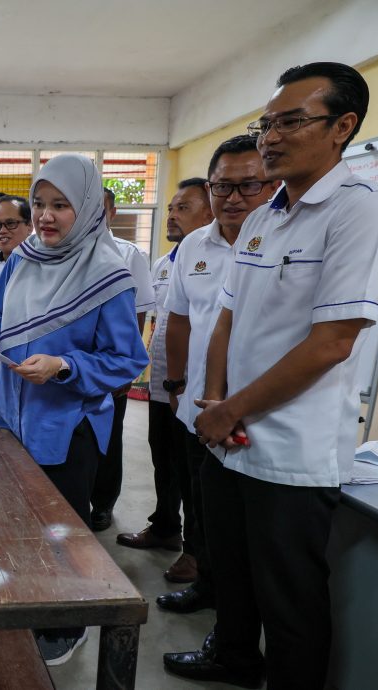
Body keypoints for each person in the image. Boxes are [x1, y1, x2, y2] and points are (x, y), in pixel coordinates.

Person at [166, 62, 378, 689]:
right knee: (232, 575)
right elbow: (224, 321)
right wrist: (213, 401)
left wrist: (228, 410)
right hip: (228, 437)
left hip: (290, 450)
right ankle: (233, 656)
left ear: (342, 127)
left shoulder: (365, 211)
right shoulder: (266, 216)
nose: (271, 137)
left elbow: (331, 343)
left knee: (291, 597)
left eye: (291, 122)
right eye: (267, 123)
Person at [0, 154, 148, 665]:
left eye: (61, 206)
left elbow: (126, 360)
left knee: (63, 531)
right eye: (40, 204)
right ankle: (33, 600)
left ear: (87, 208)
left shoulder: (107, 274)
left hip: (68, 427)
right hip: (11, 416)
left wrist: (65, 366)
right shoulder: (23, 257)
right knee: (18, 521)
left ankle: (68, 622)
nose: (46, 216)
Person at [157, 136, 278, 622]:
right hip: (200, 406)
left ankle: (241, 609)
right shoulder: (193, 246)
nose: (232, 198)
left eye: (249, 186)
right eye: (221, 186)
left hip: (261, 409)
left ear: (272, 185)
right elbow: (181, 321)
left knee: (254, 524)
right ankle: (206, 583)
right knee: (202, 501)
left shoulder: (281, 242)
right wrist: (175, 384)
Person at [117, 178, 213, 584]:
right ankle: (164, 526)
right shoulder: (164, 262)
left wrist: (182, 384)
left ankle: (197, 552)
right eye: (171, 207)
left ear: (211, 212)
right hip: (164, 382)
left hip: (197, 385)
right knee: (164, 460)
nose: (172, 214)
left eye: (183, 207)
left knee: (196, 474)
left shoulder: (222, 258)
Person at [90, 188, 157, 531]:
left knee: (109, 436)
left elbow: (140, 315)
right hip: (77, 366)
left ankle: (102, 503)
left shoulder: (129, 255)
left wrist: (128, 368)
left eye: (100, 209)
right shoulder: (65, 253)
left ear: (113, 212)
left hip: (111, 366)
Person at [0, 196, 33, 398]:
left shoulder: (43, 267)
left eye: (10, 224)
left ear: (30, 226)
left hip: (30, 375)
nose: (2, 231)